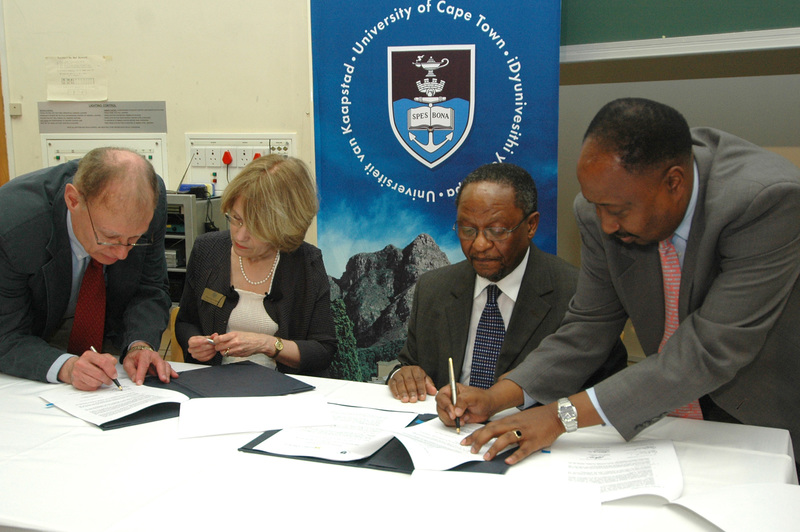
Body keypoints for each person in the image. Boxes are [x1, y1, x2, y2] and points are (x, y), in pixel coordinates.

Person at [437, 98, 800, 469]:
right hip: (663, 420)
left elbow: (707, 351)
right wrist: (495, 397)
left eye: (618, 210)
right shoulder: (600, 208)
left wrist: (560, 416)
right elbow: (588, 326)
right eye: (597, 206)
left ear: (674, 183)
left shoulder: (765, 200)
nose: (606, 225)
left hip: (763, 419)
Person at [388, 163, 627, 402]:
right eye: (468, 229)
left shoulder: (578, 293)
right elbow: (410, 364)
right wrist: (403, 374)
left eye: (497, 230)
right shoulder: (433, 288)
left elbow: (608, 391)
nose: (479, 244)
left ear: (531, 225)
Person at [0, 147, 176, 390]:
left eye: (134, 239)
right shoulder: (13, 226)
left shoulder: (146, 197)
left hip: (109, 340)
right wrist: (67, 366)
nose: (123, 253)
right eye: (109, 237)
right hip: (31, 346)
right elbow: (6, 336)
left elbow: (149, 287)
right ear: (73, 200)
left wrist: (140, 344)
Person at [175, 154, 337, 376]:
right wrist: (193, 342)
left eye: (256, 227)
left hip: (283, 393)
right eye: (236, 218)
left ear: (285, 226)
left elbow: (323, 351)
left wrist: (268, 345)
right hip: (213, 389)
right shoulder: (207, 250)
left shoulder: (307, 263)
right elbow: (185, 321)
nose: (240, 236)